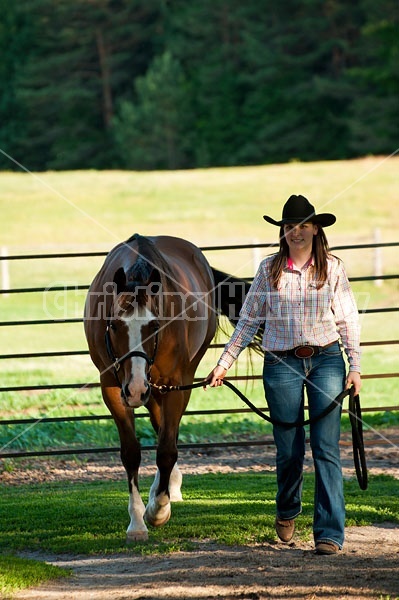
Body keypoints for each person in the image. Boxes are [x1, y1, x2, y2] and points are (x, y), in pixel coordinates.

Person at [207, 194, 361, 555]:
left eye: (303, 225)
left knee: (325, 448)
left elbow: (348, 320)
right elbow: (248, 321)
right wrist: (224, 363)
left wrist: (354, 366)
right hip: (281, 365)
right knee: (289, 450)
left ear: (316, 229)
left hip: (326, 361)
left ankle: (329, 533)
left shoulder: (333, 268)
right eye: (289, 227)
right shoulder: (268, 270)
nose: (296, 232)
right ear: (283, 232)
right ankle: (288, 507)